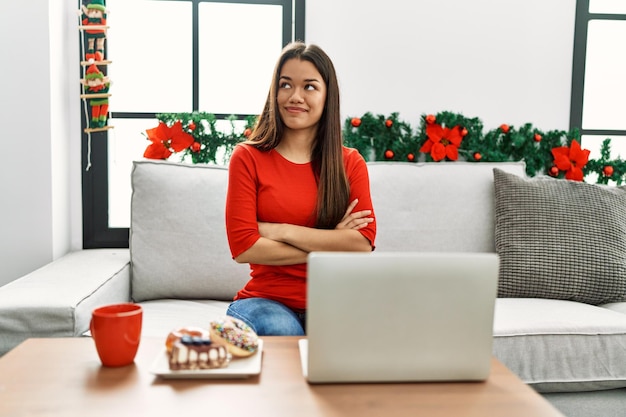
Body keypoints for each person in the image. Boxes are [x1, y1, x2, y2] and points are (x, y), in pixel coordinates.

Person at [225, 42, 377, 336]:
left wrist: (280, 230)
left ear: (326, 96)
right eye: (286, 85)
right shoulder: (248, 157)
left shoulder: (350, 163)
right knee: (283, 330)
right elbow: (244, 247)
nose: (295, 97)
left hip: (333, 299)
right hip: (264, 301)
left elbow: (362, 243)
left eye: (309, 87)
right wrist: (332, 243)